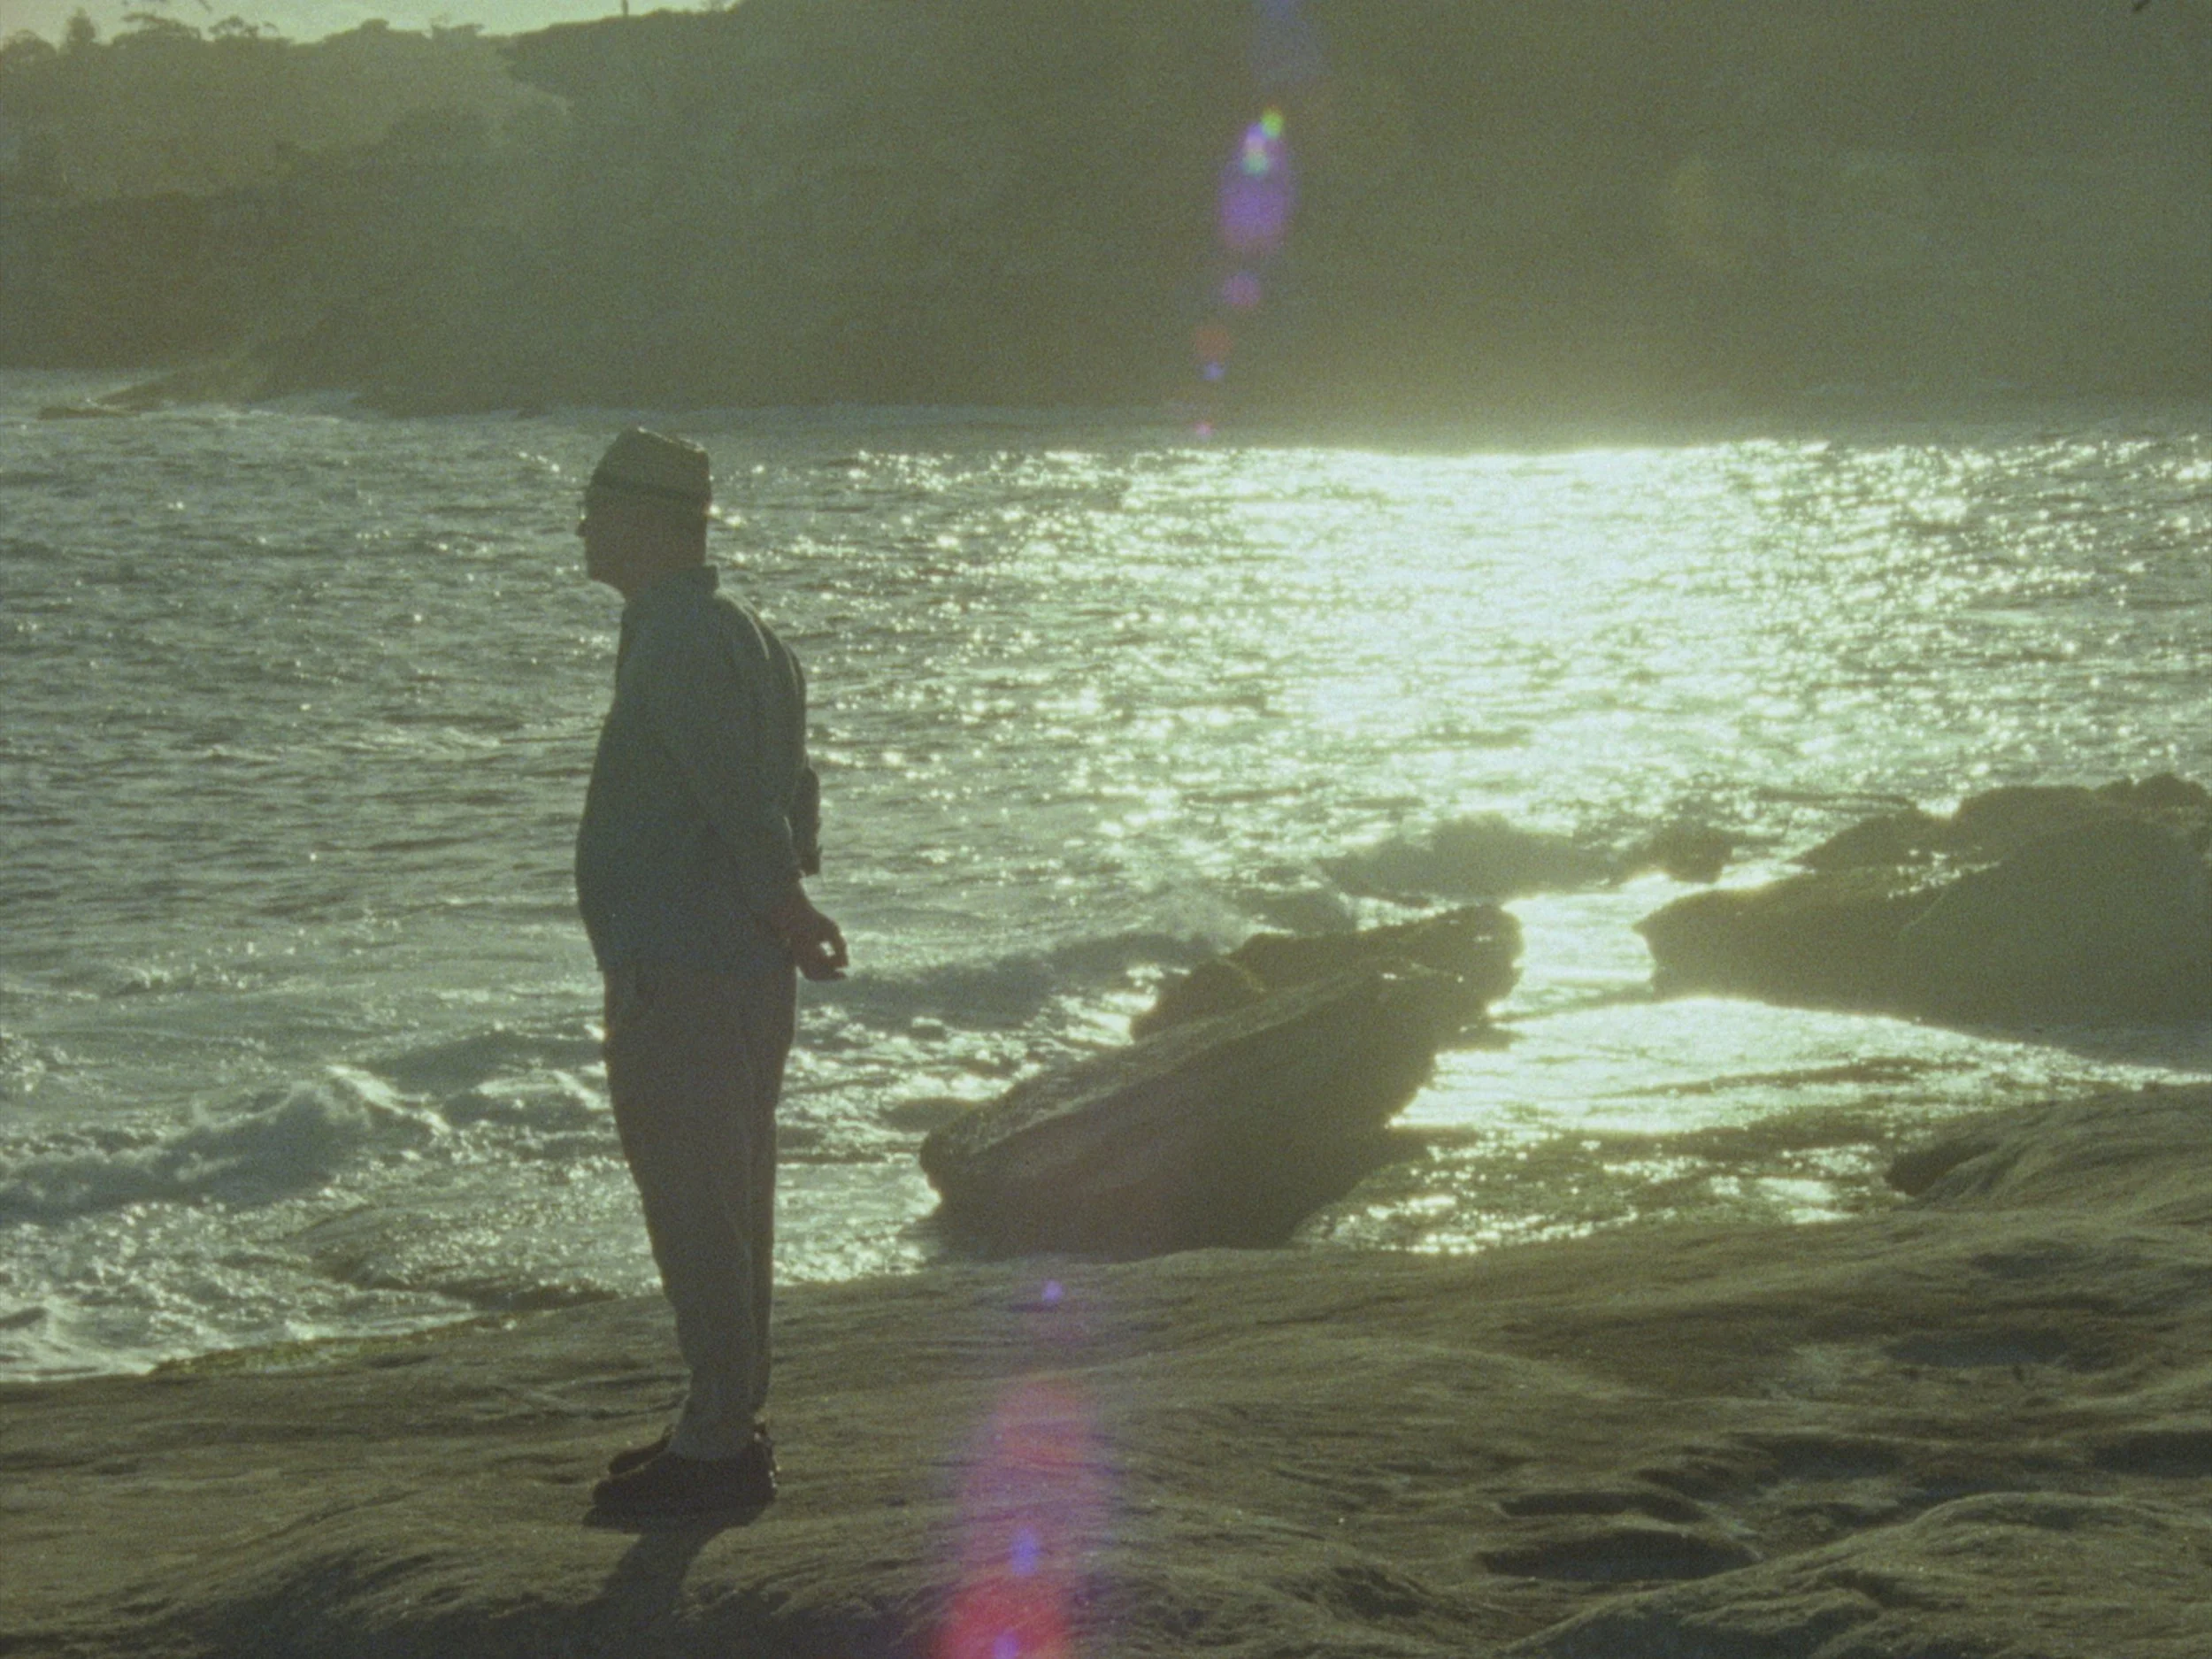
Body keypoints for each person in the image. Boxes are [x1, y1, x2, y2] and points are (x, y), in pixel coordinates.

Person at [572, 427, 848, 1522]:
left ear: (646, 521)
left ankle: (721, 1441)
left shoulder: (680, 637)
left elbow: (741, 803)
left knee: (695, 1202)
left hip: (685, 968)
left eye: (596, 508)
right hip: (731, 964)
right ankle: (722, 1416)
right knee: (731, 1200)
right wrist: (783, 917)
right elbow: (796, 795)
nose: (581, 526)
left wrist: (787, 910)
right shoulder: (749, 635)